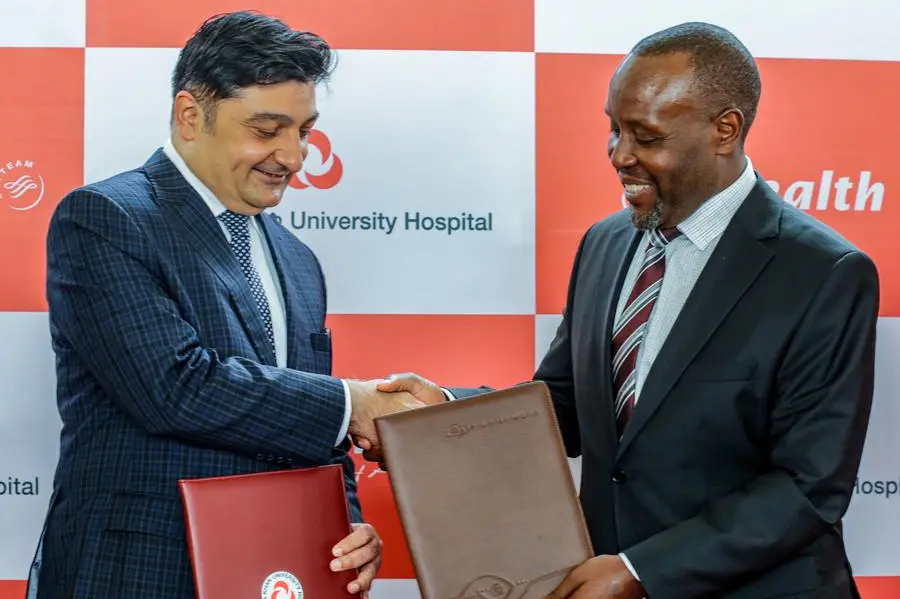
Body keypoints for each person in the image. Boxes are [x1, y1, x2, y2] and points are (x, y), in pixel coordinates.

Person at [365, 21, 879, 599]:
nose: (619, 154)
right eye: (614, 128)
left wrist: (640, 570)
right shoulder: (605, 243)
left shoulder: (822, 272)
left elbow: (808, 487)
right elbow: (564, 407)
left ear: (725, 130)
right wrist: (445, 410)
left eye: (646, 137)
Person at [24, 11, 420, 599]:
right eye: (267, 130)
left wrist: (346, 524)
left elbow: (306, 421)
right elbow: (172, 387)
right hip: (138, 573)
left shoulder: (298, 260)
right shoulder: (106, 218)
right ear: (191, 115)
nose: (294, 156)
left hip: (272, 573)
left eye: (304, 131)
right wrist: (351, 403)